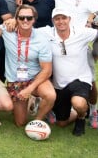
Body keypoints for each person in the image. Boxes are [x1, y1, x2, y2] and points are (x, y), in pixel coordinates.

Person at [45, 0, 98, 127]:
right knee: (56, 73)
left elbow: (96, 11)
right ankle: (56, 107)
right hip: (59, 39)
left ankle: (94, 110)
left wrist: (91, 19)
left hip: (81, 41)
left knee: (90, 79)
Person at [39, 7, 98, 136]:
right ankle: (80, 111)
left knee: (78, 102)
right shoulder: (46, 32)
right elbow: (26, 30)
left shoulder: (82, 32)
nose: (61, 22)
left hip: (80, 79)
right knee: (61, 123)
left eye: (64, 18)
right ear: (52, 20)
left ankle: (81, 117)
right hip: (59, 85)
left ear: (69, 19)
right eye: (57, 19)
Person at [0, 4, 56, 126]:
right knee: (20, 122)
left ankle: (37, 122)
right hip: (15, 80)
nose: (25, 20)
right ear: (16, 18)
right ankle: (30, 101)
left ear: (34, 19)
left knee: (50, 95)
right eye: (22, 17)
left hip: (34, 78)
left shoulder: (41, 39)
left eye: (29, 18)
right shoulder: (7, 30)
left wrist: (29, 89)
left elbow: (47, 69)